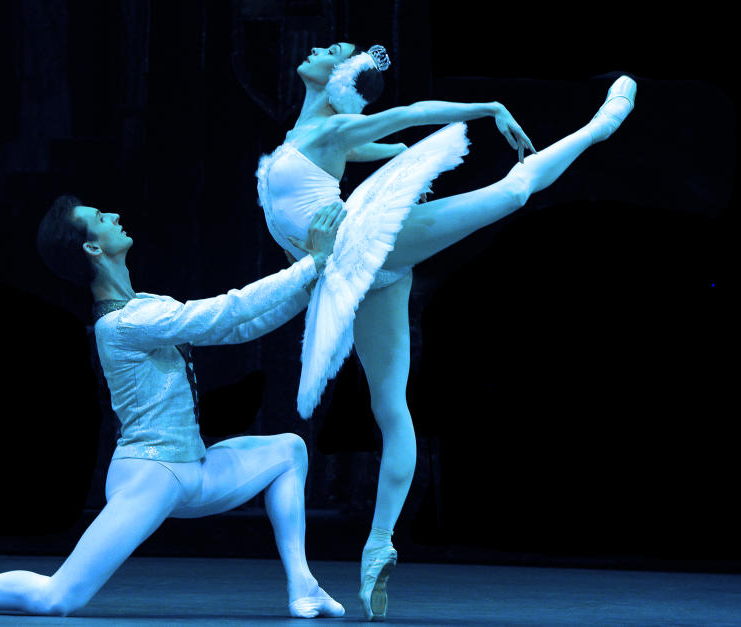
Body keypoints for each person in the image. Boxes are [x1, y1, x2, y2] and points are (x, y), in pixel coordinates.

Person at [256, 41, 636, 620]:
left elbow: (408, 116)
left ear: (340, 79)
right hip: (356, 271)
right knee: (391, 408)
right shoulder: (322, 135)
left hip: (367, 242)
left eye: (331, 49)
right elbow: (392, 138)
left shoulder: (328, 133)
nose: (316, 46)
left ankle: (599, 126)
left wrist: (487, 107)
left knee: (510, 192)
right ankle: (379, 544)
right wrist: (401, 151)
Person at [0, 198, 349, 618]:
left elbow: (238, 327)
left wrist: (311, 278)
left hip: (194, 470)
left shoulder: (146, 305)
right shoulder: (124, 323)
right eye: (100, 218)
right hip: (150, 474)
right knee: (57, 598)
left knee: (289, 450)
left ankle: (303, 587)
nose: (115, 216)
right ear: (91, 249)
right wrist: (309, 265)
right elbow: (227, 310)